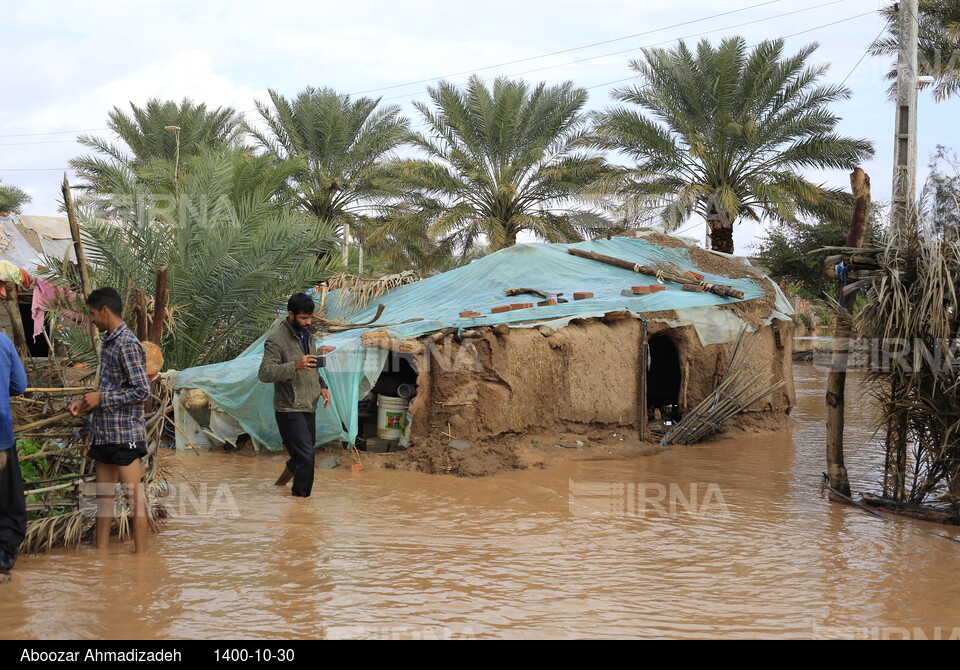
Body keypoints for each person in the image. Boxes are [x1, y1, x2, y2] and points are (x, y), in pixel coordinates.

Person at [69, 287, 151, 553]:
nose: (91, 319)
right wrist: (84, 405)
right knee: (103, 501)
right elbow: (108, 388)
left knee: (134, 501)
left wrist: (101, 398)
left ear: (105, 311)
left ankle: (141, 563)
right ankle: (101, 559)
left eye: (92, 313)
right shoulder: (109, 342)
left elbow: (142, 391)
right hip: (104, 433)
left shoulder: (127, 343)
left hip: (124, 436)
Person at [258, 293, 331, 498]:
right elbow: (265, 373)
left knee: (301, 456)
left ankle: (278, 486)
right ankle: (300, 502)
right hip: (289, 408)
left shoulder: (309, 333)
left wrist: (322, 385)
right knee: (307, 456)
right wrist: (294, 366)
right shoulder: (276, 340)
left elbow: (312, 363)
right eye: (303, 318)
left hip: (310, 404)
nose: (308, 322)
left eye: (310, 318)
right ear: (290, 314)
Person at [0, 332, 28, 582]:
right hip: (0, 438)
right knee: (9, 506)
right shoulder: (2, 341)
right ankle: (1, 563)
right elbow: (19, 385)